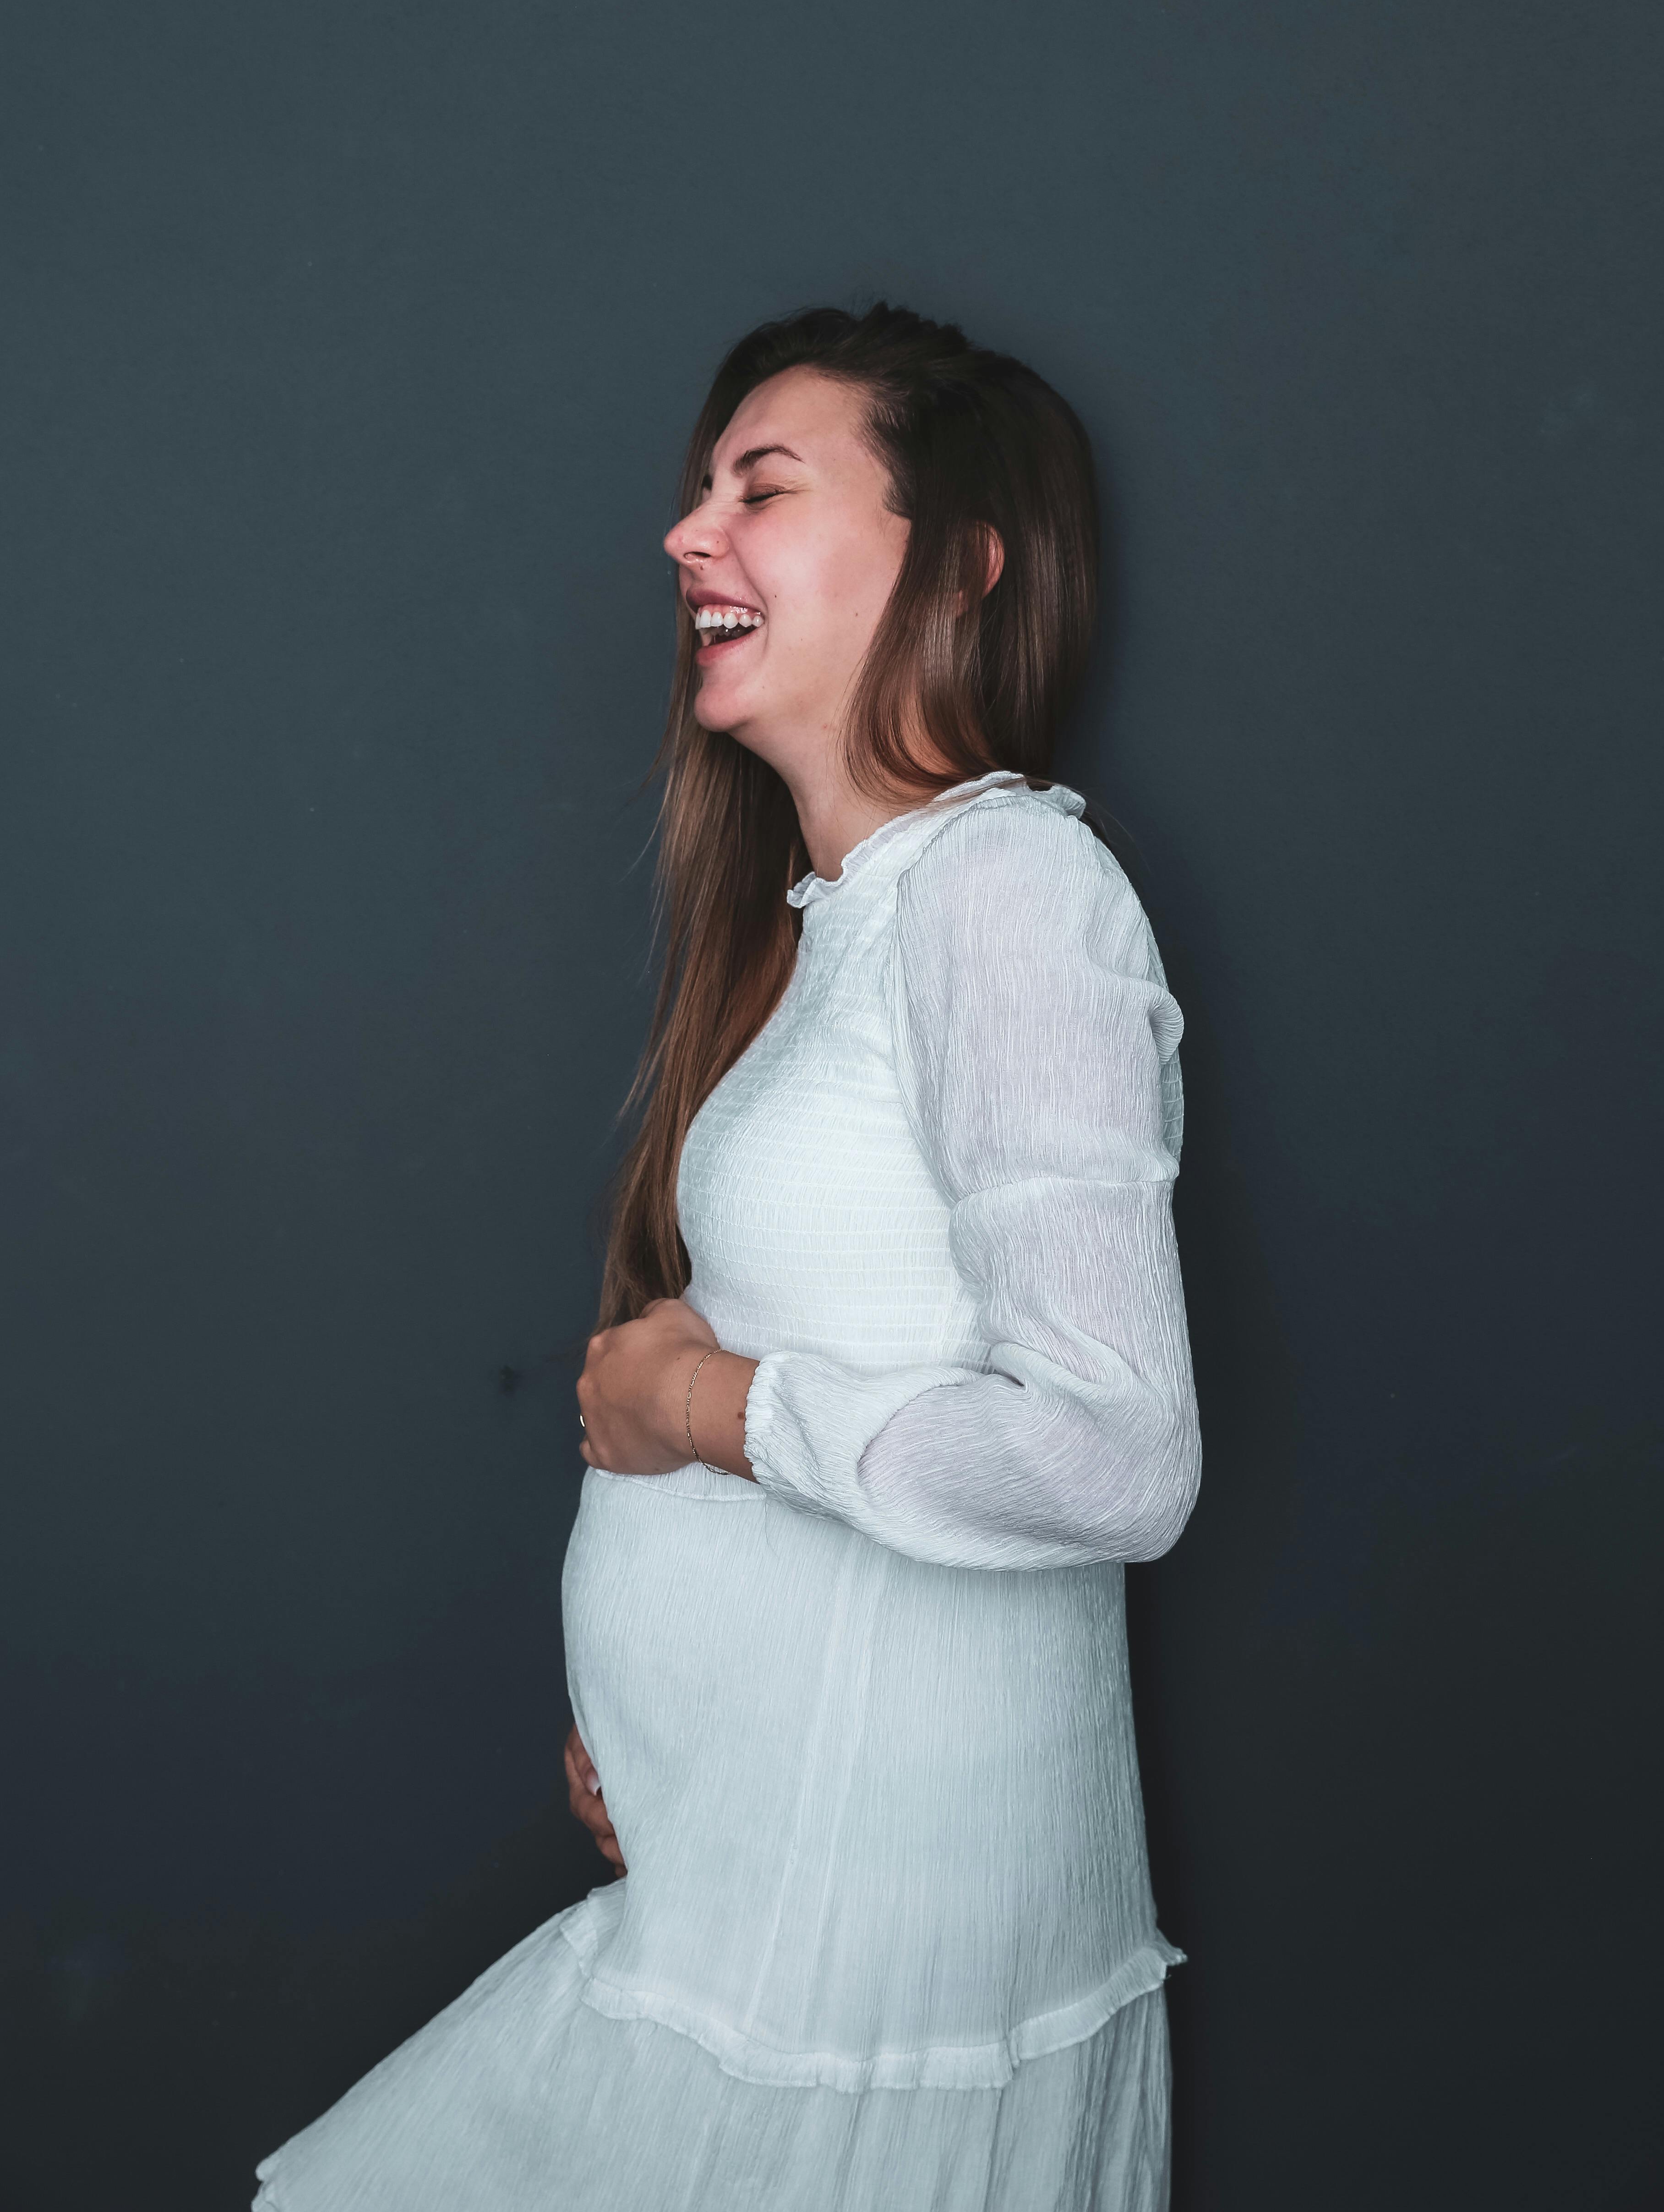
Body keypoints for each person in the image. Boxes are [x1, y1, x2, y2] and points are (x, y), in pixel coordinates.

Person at [253, 303, 1201, 2212]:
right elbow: (857, 1351)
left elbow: (1111, 1453)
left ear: (963, 560)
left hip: (855, 1951)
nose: (690, 539)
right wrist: (665, 1727)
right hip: (755, 1872)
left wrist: (697, 1402)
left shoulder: (1011, 890)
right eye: (699, 495)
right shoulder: (837, 925)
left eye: (762, 490)